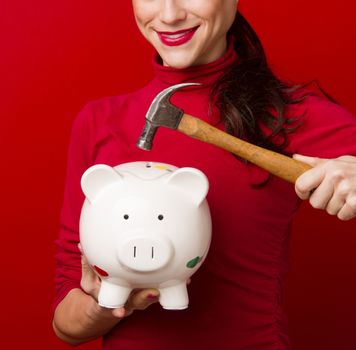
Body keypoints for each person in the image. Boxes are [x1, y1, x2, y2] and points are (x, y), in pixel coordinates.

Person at [52, 1, 356, 349]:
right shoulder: (99, 121)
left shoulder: (291, 115)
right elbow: (66, 324)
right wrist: (106, 303)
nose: (169, 15)